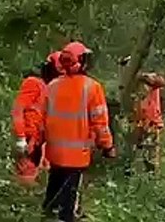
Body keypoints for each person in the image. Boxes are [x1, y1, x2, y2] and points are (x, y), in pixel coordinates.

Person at [40, 41, 116, 221]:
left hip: (54, 151)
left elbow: (42, 118)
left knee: (54, 187)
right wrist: (107, 146)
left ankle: (47, 213)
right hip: (76, 154)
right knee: (69, 198)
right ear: (81, 61)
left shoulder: (52, 86)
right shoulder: (92, 87)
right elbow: (100, 123)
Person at [12, 51, 61, 186]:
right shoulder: (33, 83)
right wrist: (20, 137)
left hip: (38, 141)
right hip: (28, 139)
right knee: (25, 178)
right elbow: (18, 109)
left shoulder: (52, 90)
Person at [132, 72, 165, 174]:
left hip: (152, 124)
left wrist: (145, 77)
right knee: (137, 152)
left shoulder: (152, 83)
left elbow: (160, 82)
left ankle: (151, 177)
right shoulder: (132, 85)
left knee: (151, 154)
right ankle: (136, 175)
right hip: (139, 123)